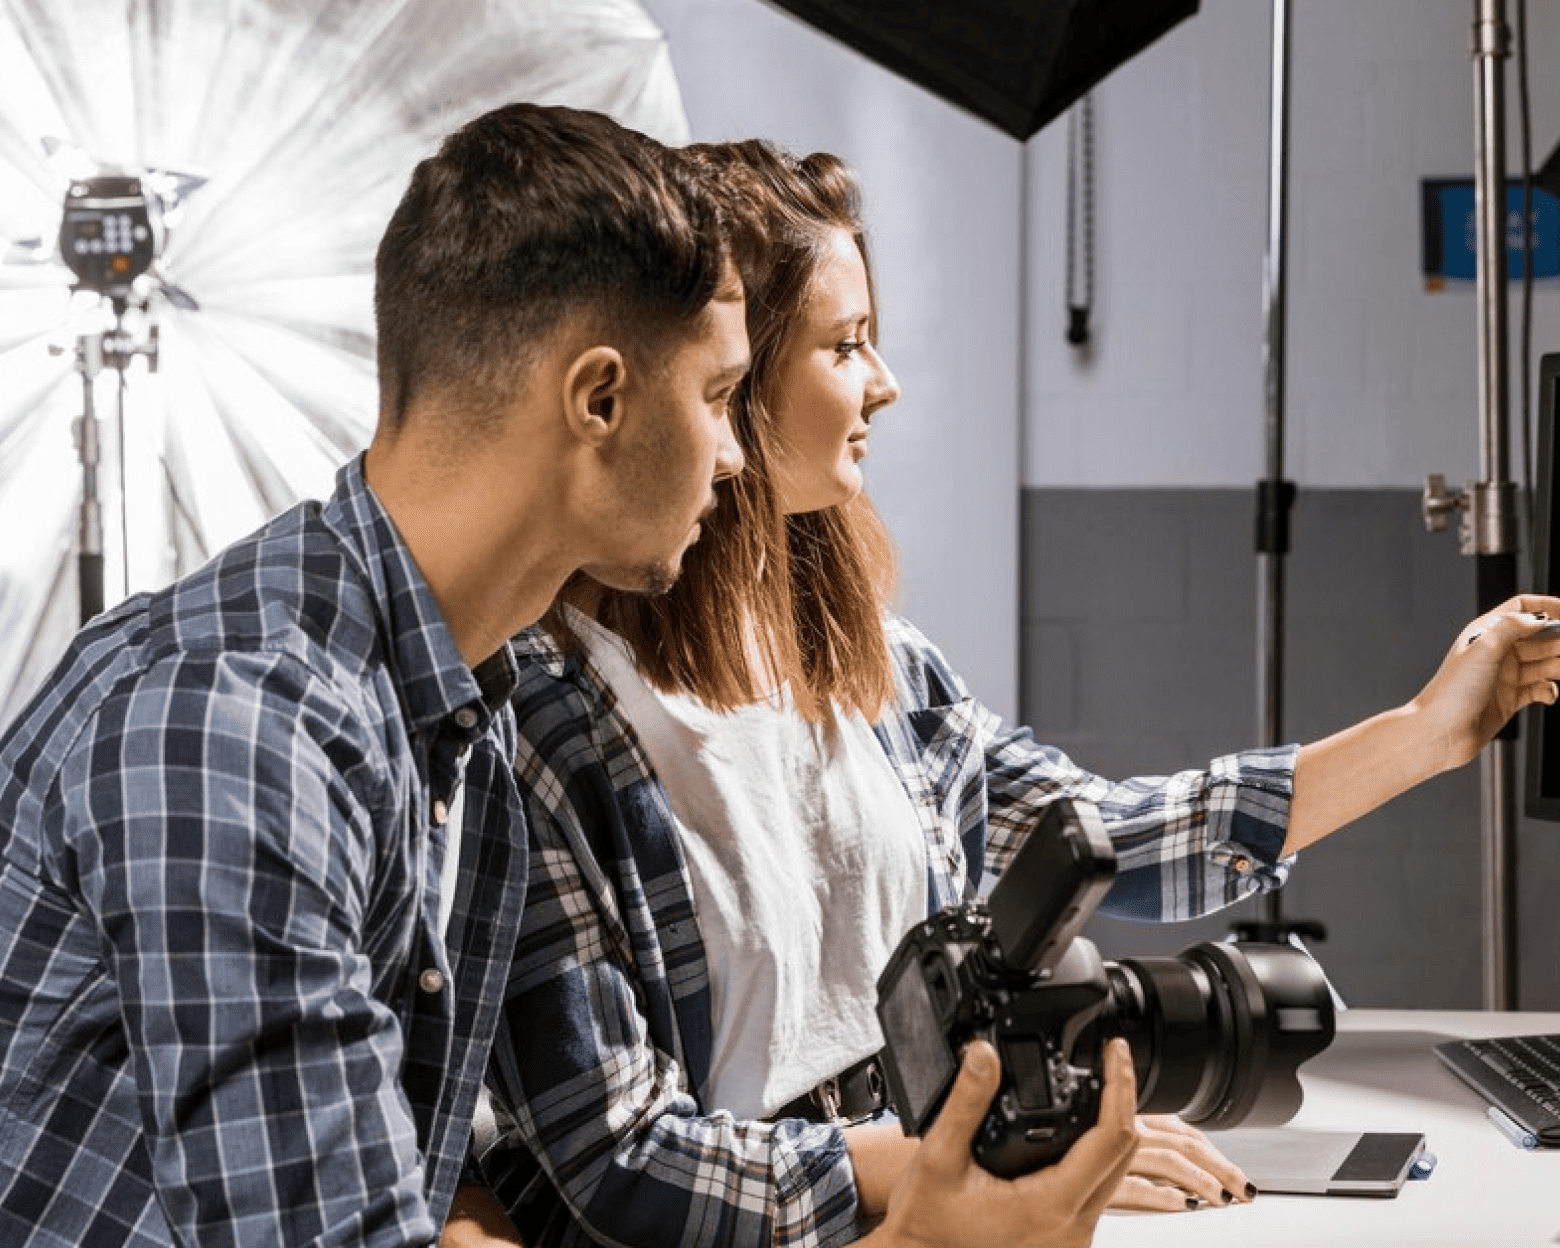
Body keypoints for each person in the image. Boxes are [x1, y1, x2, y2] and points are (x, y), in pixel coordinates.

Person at [0, 104, 1133, 1248]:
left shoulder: (450, 706)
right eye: (714, 398)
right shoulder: (244, 734)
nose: (737, 454)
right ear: (598, 400)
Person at [460, 140, 1560, 1248]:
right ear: (733, 378)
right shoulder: (551, 722)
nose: (887, 383)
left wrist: (1426, 733)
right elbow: (614, 1168)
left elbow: (1102, 841)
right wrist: (944, 1173)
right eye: (846, 344)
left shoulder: (876, 665)